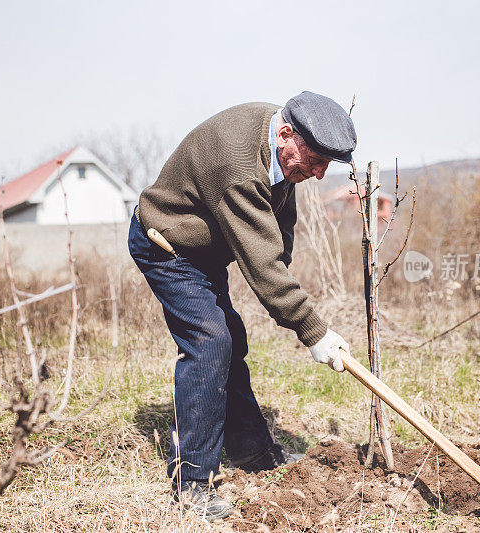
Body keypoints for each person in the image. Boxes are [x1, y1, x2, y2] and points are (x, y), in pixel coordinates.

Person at [128, 91, 356, 520]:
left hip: (205, 251)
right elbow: (262, 263)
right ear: (286, 134)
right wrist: (313, 329)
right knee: (210, 341)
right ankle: (192, 483)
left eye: (328, 164)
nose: (320, 172)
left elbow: (277, 230)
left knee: (231, 338)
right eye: (316, 160)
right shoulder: (237, 164)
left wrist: (280, 280)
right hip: (167, 245)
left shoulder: (281, 146)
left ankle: (252, 451)